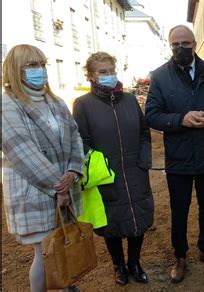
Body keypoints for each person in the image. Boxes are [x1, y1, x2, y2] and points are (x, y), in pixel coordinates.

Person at [145, 25, 204, 283]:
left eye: (185, 43)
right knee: (179, 209)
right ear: (169, 46)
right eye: (175, 45)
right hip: (179, 158)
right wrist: (180, 120)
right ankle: (180, 256)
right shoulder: (161, 76)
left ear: (194, 44)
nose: (180, 49)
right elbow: (151, 114)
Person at [2, 44, 84, 292]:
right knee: (45, 252)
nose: (40, 70)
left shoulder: (55, 102)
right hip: (36, 191)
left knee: (62, 246)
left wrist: (73, 171)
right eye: (32, 65)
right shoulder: (8, 106)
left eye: (42, 64)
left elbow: (75, 136)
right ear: (16, 71)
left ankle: (65, 286)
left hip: (65, 187)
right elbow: (23, 152)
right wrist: (59, 187)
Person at [73, 52, 154, 286]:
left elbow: (143, 132)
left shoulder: (129, 100)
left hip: (135, 170)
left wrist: (144, 160)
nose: (109, 76)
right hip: (106, 176)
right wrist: (99, 168)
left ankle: (135, 263)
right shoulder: (83, 104)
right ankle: (118, 265)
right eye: (102, 72)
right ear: (91, 76)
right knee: (112, 224)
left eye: (111, 70)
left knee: (138, 221)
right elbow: (81, 141)